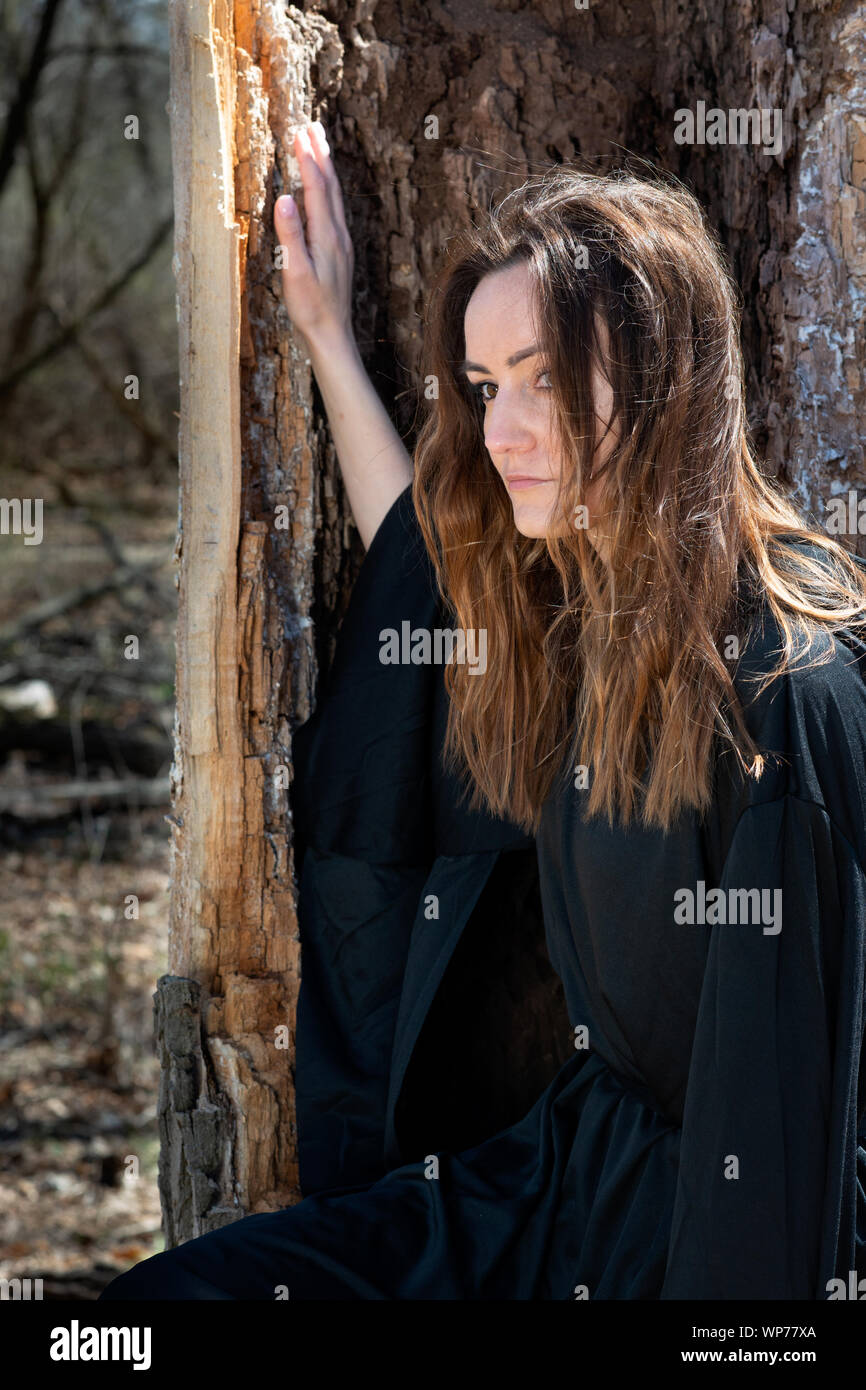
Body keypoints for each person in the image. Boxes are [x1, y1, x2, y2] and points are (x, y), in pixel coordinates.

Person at [100, 121, 866, 1301]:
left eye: (545, 379)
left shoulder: (781, 700)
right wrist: (323, 340)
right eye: (482, 384)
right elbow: (425, 555)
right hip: (552, 1183)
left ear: (663, 377)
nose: (501, 430)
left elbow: (773, 1166)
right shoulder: (576, 613)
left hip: (698, 1238)